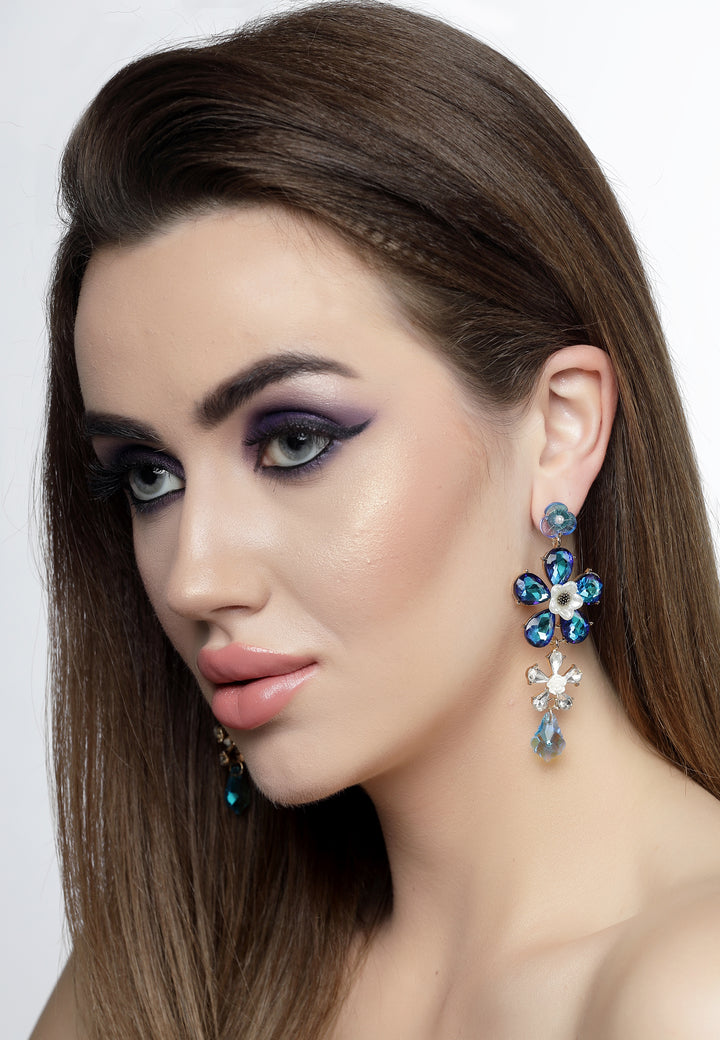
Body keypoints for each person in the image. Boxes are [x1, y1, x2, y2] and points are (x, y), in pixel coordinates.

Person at [31, 2, 720, 1037]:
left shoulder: (688, 989)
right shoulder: (166, 975)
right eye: (147, 477)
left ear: (559, 428)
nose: (191, 577)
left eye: (294, 441)